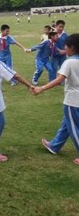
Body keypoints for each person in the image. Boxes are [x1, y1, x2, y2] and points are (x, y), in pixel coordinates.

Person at [33, 34, 79, 165]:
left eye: (66, 46)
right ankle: (54, 146)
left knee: (74, 128)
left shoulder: (69, 62)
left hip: (72, 102)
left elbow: (59, 80)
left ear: (72, 48)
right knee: (66, 124)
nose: (64, 49)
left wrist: (41, 88)